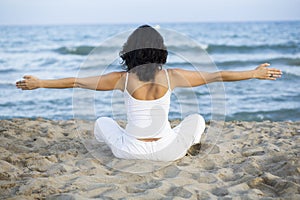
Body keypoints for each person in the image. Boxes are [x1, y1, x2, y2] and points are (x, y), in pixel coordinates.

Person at [16, 25, 282, 161]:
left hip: (129, 151)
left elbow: (75, 82)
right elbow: (218, 76)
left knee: (102, 123)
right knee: (198, 119)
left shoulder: (121, 79)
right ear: (160, 51)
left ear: (129, 51)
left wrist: (40, 83)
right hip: (169, 151)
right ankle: (187, 144)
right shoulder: (173, 76)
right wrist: (254, 73)